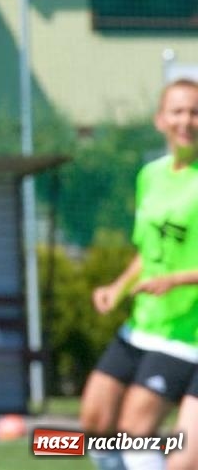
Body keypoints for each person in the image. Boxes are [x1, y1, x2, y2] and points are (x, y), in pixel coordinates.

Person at [79, 79, 198, 470]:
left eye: (195, 112)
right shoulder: (151, 175)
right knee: (95, 421)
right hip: (144, 323)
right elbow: (148, 252)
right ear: (160, 120)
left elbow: (172, 269)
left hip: (185, 333)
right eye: (178, 111)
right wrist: (117, 287)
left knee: (139, 433)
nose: (187, 120)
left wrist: (177, 280)